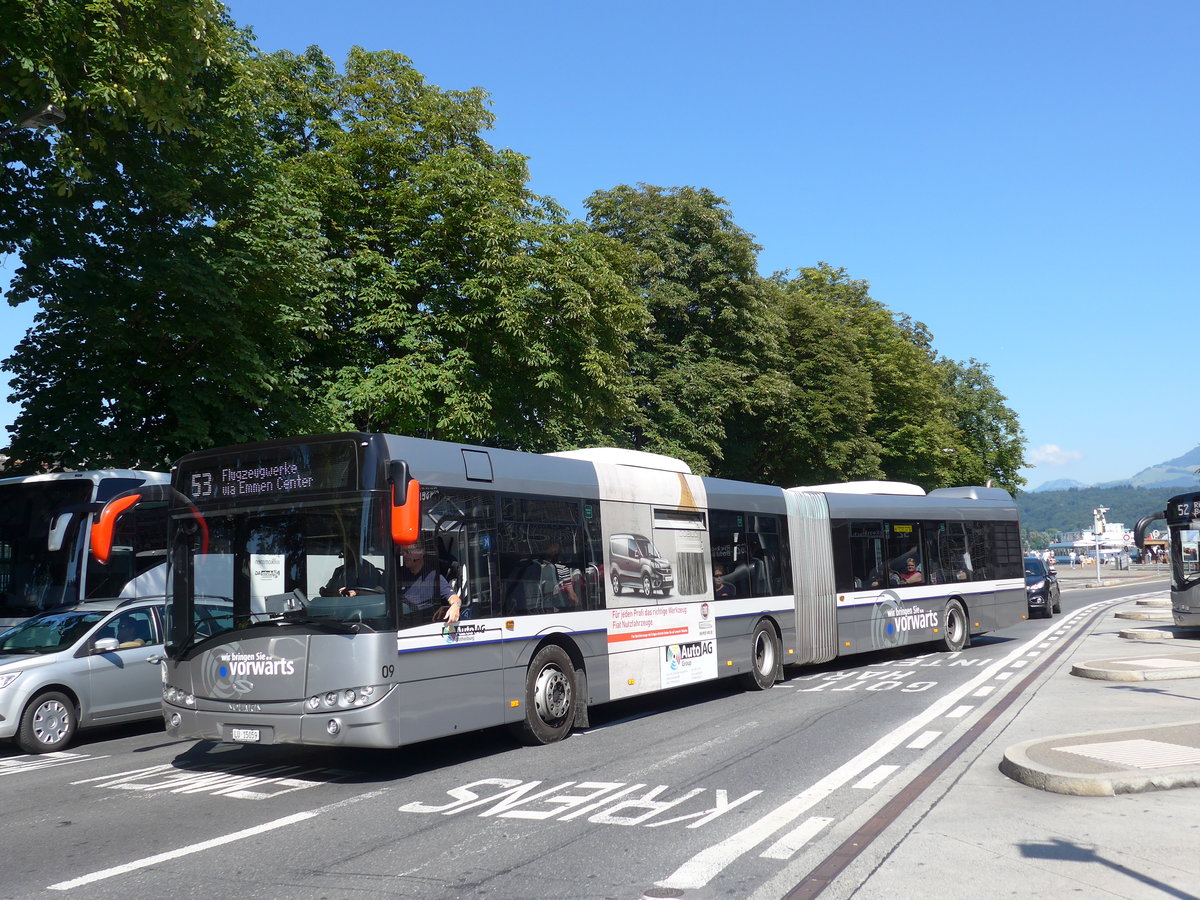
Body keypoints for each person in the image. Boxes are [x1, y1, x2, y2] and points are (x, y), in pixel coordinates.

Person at [397, 543, 461, 623]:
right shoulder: (398, 574)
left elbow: (453, 597)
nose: (404, 555)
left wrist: (455, 606)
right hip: (400, 620)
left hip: (422, 622)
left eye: (408, 552)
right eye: (403, 552)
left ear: (421, 552)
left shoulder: (434, 577)